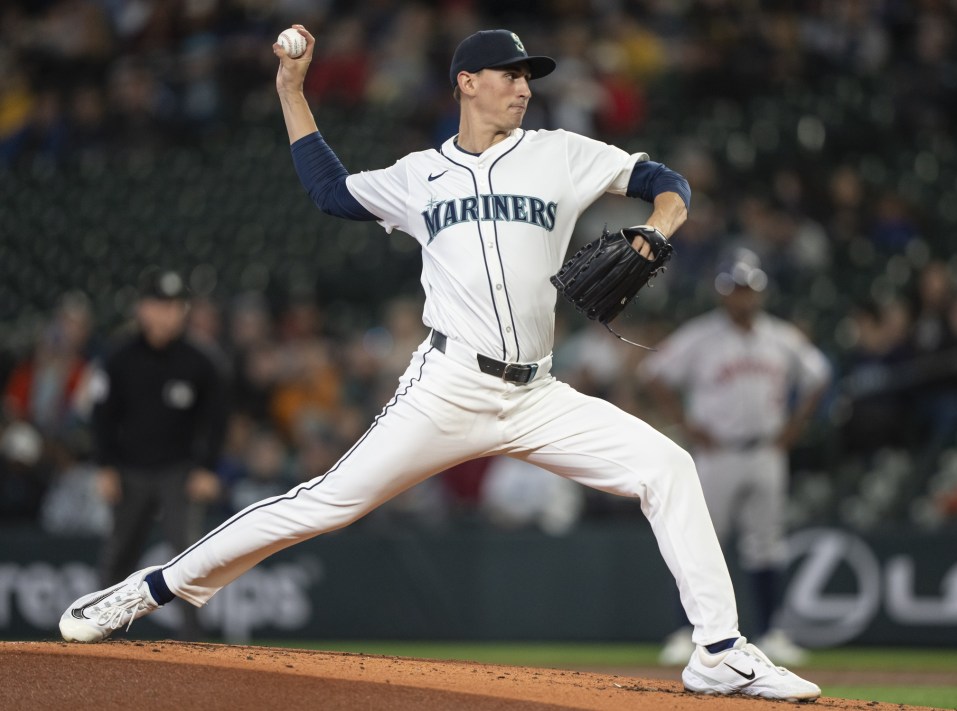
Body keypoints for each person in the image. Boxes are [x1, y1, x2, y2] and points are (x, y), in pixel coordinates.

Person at [59, 27, 820, 701]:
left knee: (668, 467)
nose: (524, 87)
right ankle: (143, 591)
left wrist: (661, 222)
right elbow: (328, 191)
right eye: (511, 75)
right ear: (467, 82)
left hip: (538, 393)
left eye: (528, 77)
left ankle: (719, 650)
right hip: (448, 386)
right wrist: (292, 89)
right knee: (322, 504)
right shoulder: (419, 174)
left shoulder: (559, 153)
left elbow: (665, 182)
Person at [641, 249, 831, 667]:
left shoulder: (781, 337)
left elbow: (819, 375)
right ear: (721, 293)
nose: (741, 296)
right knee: (699, 543)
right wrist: (686, 424)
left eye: (748, 288)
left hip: (766, 451)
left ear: (759, 291)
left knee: (767, 545)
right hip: (718, 452)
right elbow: (653, 373)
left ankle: (772, 633)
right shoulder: (700, 336)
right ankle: (686, 633)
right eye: (734, 289)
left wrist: (796, 426)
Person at [88, 268, 229, 641]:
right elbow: (101, 415)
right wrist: (104, 466)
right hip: (129, 468)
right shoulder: (119, 356)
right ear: (142, 308)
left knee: (189, 555)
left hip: (179, 471)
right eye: (159, 304)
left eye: (173, 305)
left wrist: (207, 468)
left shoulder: (200, 359)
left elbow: (217, 420)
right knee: (120, 553)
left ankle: (193, 638)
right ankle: (99, 631)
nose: (166, 313)